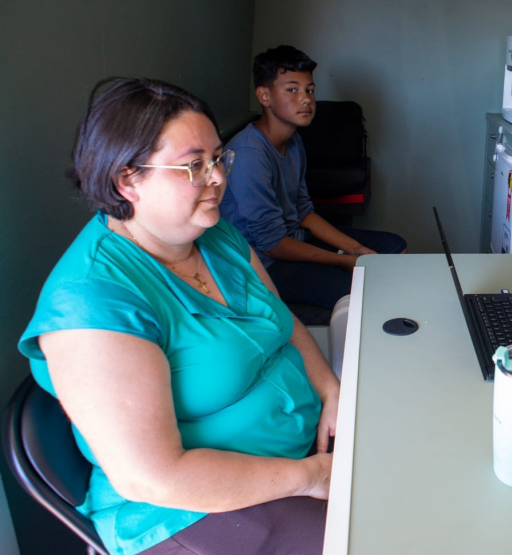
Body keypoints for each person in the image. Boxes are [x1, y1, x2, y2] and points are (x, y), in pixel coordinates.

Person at [18, 78, 339, 555]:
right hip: (190, 510)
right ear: (126, 180)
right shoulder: (92, 302)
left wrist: (331, 391)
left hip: (301, 458)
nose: (217, 177)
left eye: (219, 158)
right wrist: (310, 476)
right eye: (194, 165)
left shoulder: (212, 234)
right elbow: (154, 478)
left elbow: (281, 321)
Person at [221, 45, 406, 311]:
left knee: (395, 248)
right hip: (263, 263)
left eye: (310, 90)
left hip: (294, 239)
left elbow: (303, 211)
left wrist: (355, 248)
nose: (306, 99)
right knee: (367, 289)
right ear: (264, 96)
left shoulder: (294, 141)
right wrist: (344, 260)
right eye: (292, 90)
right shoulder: (249, 154)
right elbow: (271, 245)